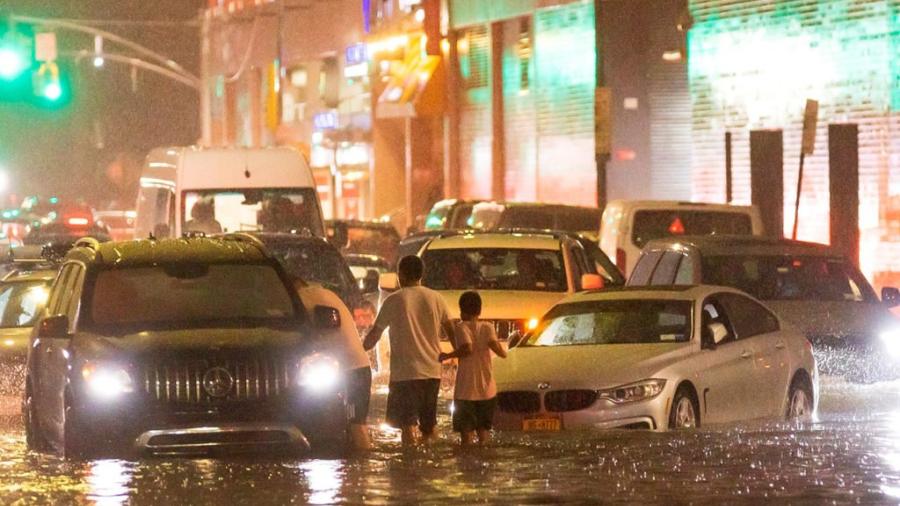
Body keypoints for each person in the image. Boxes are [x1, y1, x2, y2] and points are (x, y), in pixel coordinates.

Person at [364, 255, 456, 446]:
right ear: (421, 275)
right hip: (432, 373)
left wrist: (358, 350)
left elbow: (375, 334)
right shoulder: (436, 298)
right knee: (429, 427)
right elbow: (451, 331)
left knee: (407, 426)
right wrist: (458, 355)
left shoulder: (394, 300)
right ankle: (431, 464)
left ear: (401, 275)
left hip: (405, 375)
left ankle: (410, 466)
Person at [295, 280, 372, 451]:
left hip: (351, 371)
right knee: (353, 422)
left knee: (355, 422)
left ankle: (363, 462)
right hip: (357, 368)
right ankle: (358, 468)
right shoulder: (326, 293)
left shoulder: (302, 298)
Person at [439, 291, 507, 446]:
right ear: (479, 311)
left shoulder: (461, 327)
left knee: (466, 436)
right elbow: (500, 352)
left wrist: (447, 355)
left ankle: (467, 467)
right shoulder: (488, 327)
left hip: (466, 391)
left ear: (462, 311)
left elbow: (467, 348)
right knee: (484, 434)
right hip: (487, 390)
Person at [352, 300, 380, 371]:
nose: (361, 321)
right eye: (357, 317)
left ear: (374, 315)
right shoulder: (352, 338)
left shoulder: (384, 336)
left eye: (365, 316)